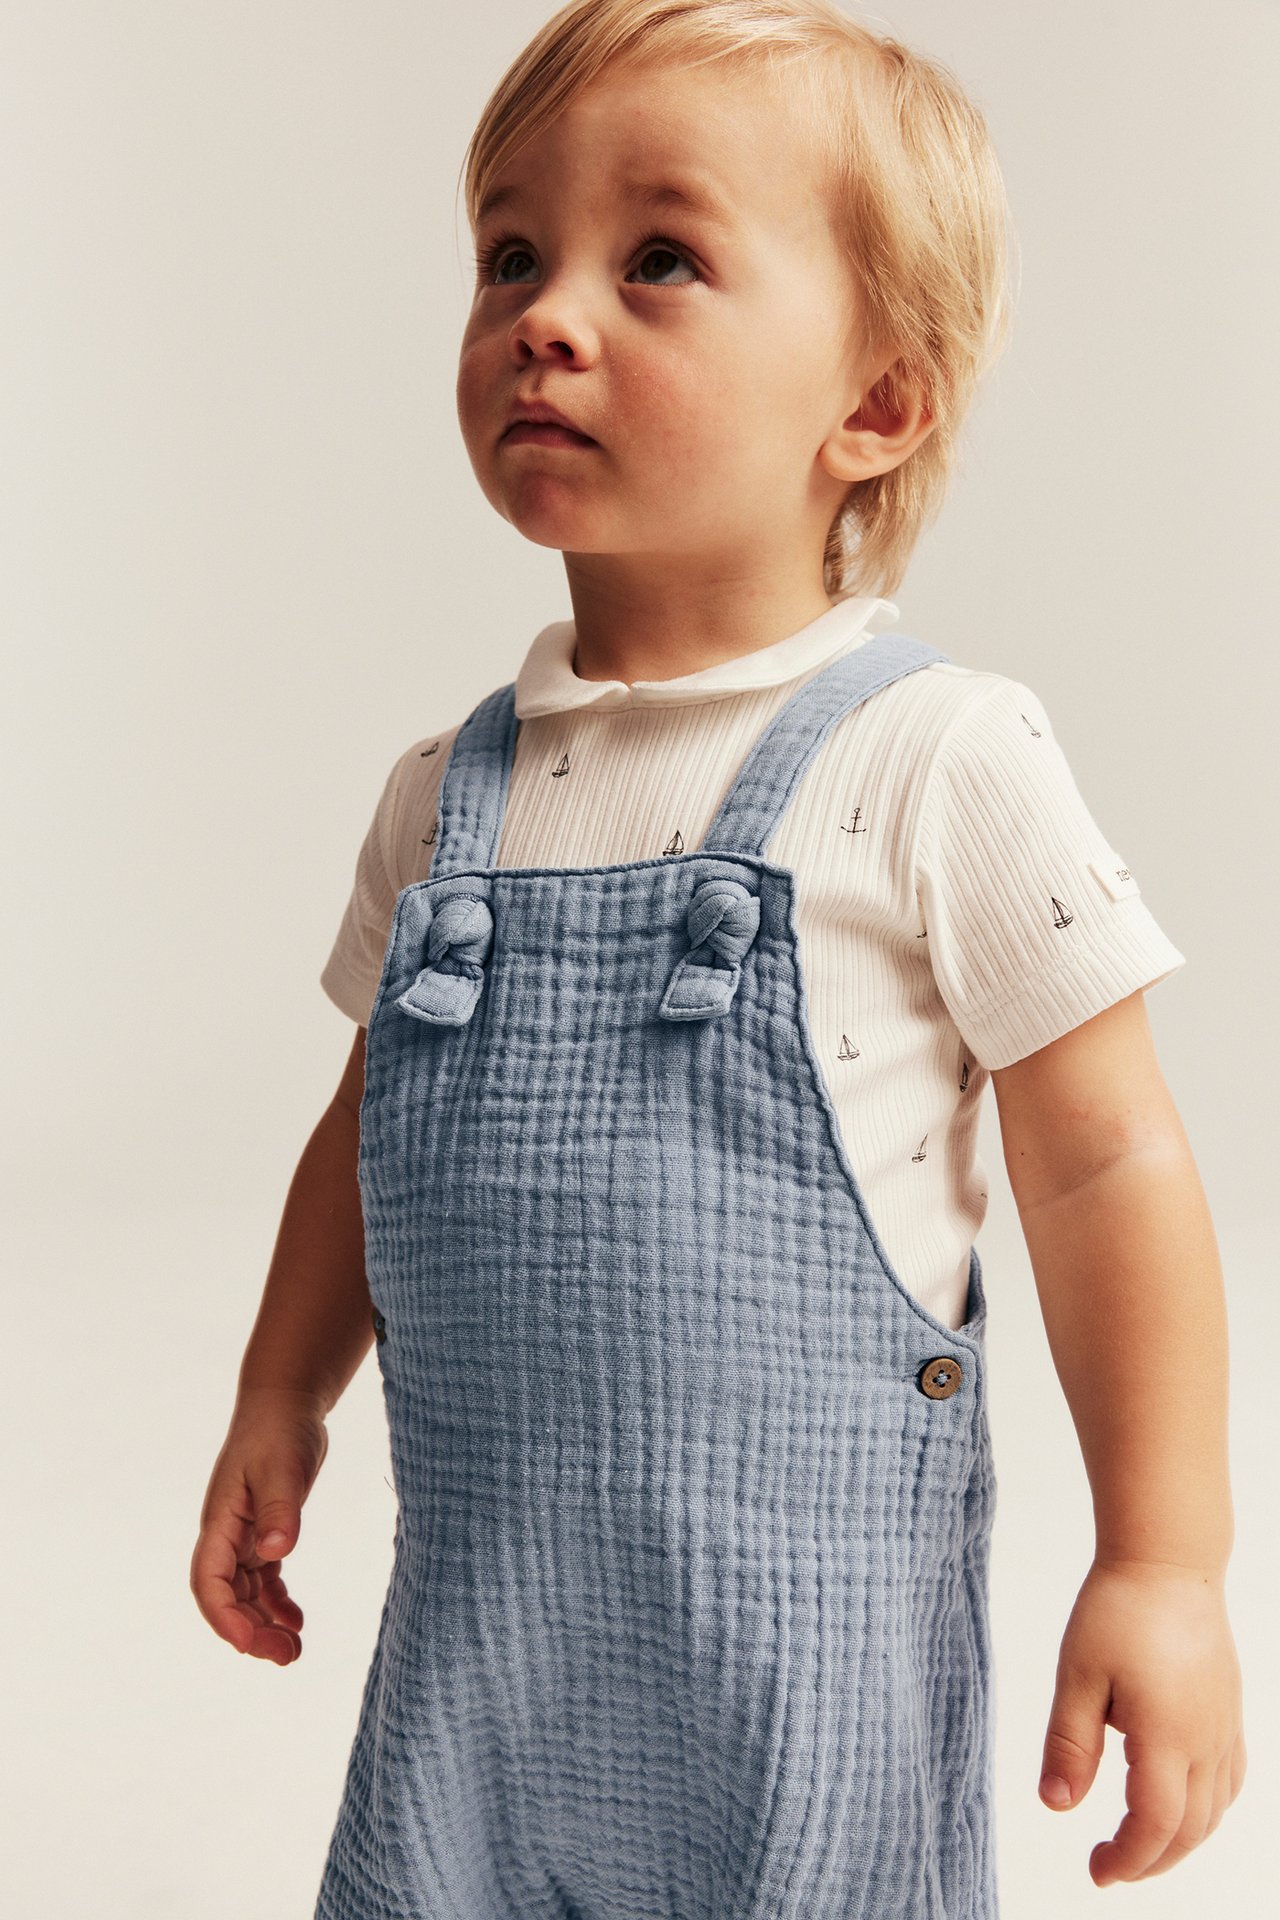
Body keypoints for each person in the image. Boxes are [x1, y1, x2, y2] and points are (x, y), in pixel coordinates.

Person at [189, 3, 1245, 1914]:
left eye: (657, 258)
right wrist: (285, 1388)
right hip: (483, 1674)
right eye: (513, 253)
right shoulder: (448, 800)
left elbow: (1108, 1164)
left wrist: (1162, 1563)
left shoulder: (936, 758)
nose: (548, 313)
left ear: (877, 404)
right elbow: (370, 1127)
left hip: (803, 1688)